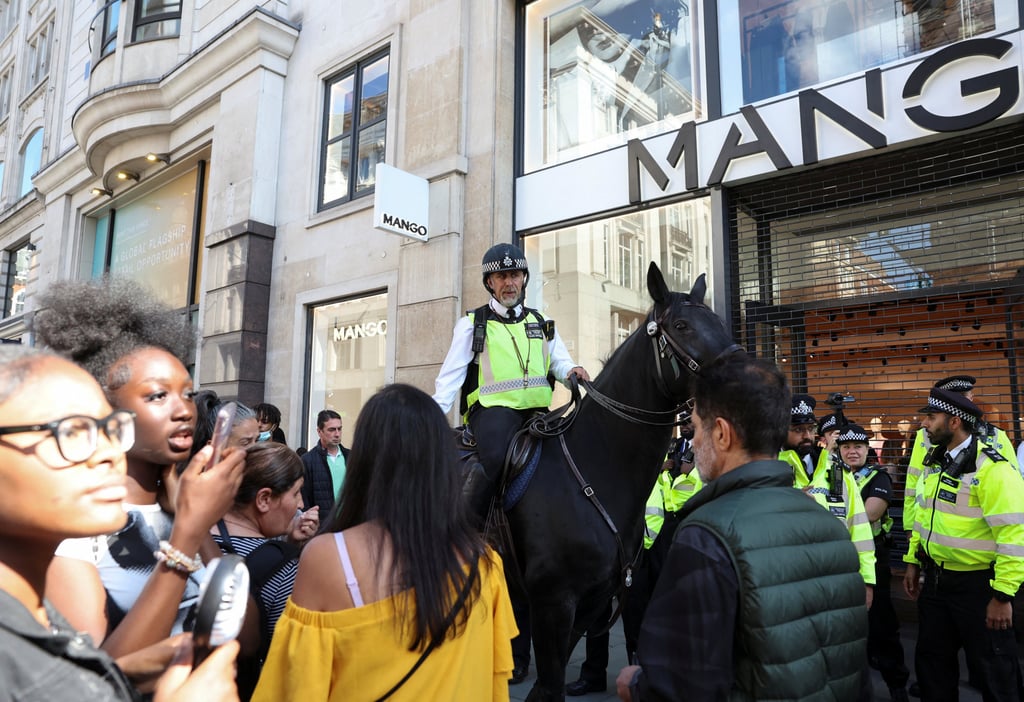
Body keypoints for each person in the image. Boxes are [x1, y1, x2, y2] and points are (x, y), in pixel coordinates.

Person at [615, 355, 867, 701]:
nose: (696, 443)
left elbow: (682, 686)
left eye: (697, 427)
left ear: (721, 433)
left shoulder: (706, 537)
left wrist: (636, 686)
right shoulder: (830, 526)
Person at [0, 345, 240, 701]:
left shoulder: (32, 613)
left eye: (109, 429)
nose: (110, 452)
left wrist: (125, 672)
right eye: (72, 432)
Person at [252, 384, 517, 701]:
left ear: (365, 458)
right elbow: (492, 682)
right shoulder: (485, 561)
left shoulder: (328, 558)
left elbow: (294, 689)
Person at [32, 277, 245, 661]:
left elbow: (245, 641)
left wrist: (191, 521)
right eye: (158, 395)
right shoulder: (77, 527)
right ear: (106, 409)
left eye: (188, 393)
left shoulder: (182, 509)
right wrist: (187, 536)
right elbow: (98, 677)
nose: (184, 410)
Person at [433, 242, 590, 684]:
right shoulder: (473, 324)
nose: (509, 283)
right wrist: (427, 420)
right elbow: (449, 379)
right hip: (495, 412)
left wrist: (573, 371)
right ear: (489, 282)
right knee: (496, 458)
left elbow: (558, 363)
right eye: (500, 277)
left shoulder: (541, 323)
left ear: (523, 279)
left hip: (538, 412)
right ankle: (466, 534)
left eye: (515, 275)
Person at [903, 388, 1024, 702]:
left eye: (931, 417)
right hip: (937, 584)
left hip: (979, 587)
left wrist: (1002, 595)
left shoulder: (992, 469)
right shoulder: (935, 462)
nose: (924, 424)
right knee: (933, 670)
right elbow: (923, 515)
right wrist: (913, 560)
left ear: (954, 421)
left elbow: (1014, 535)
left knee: (996, 675)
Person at [567, 425, 699, 697]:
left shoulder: (645, 467)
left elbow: (656, 509)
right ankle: (593, 675)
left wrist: (641, 550)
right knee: (597, 617)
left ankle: (638, 682)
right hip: (609, 554)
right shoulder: (607, 469)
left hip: (637, 554)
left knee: (636, 620)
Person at [213, 442, 315, 701]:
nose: (300, 503)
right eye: (296, 493)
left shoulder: (193, 541)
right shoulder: (286, 570)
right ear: (264, 499)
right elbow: (287, 659)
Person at [780, 395, 877, 605]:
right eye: (797, 430)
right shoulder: (768, 471)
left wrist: (867, 580)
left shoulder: (836, 468)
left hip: (836, 584)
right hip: (788, 586)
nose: (807, 436)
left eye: (810, 429)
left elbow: (859, 528)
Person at [837, 424, 909, 702]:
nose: (852, 452)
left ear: (868, 450)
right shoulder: (833, 476)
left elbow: (870, 513)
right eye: (846, 447)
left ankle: (897, 684)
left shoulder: (878, 477)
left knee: (881, 624)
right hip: (841, 556)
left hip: (873, 556)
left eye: (858, 447)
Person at [902, 375, 1018, 538]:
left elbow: (1012, 493)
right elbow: (914, 479)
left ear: (972, 397)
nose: (963, 401)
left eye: (965, 396)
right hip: (931, 526)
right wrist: (910, 526)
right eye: (956, 397)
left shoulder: (997, 436)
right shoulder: (926, 435)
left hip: (979, 533)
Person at [299, 409, 349, 519]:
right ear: (319, 431)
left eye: (339, 429)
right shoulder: (307, 460)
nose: (337, 434)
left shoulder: (351, 457)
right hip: (323, 527)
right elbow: (304, 498)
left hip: (349, 525)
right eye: (331, 430)